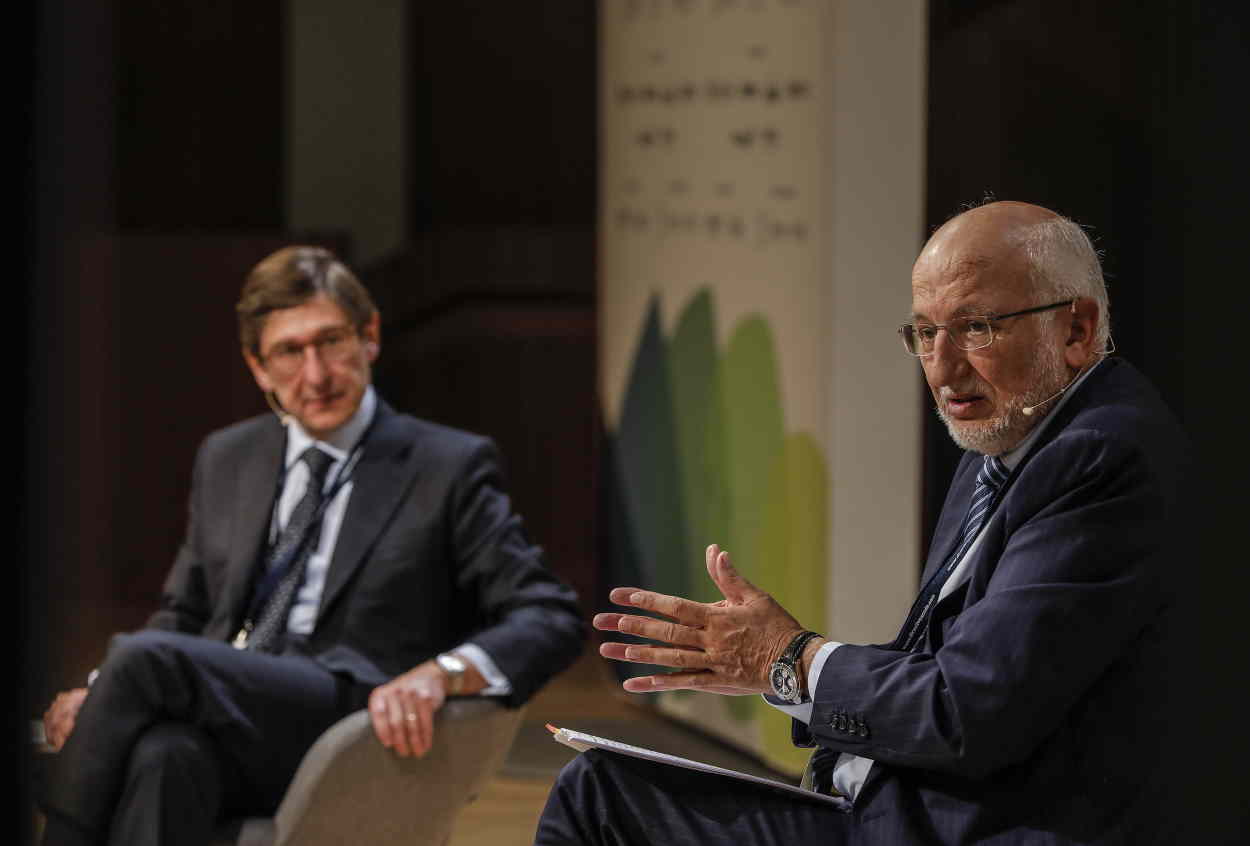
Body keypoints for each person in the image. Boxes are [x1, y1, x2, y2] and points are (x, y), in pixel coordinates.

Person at [534, 201, 1192, 844]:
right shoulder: (1008, 433)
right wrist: (779, 672)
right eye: (926, 333)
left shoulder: (1104, 454)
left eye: (978, 328)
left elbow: (967, 710)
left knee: (599, 795)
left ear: (1076, 330)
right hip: (899, 803)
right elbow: (941, 667)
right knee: (602, 783)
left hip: (960, 824)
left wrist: (790, 659)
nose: (942, 367)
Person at [37, 245, 586, 846]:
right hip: (234, 710)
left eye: (330, 342)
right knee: (166, 757)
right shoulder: (228, 457)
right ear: (257, 366)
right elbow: (186, 616)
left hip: (352, 717)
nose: (317, 375)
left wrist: (442, 674)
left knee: (143, 659)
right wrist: (105, 687)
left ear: (369, 335)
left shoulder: (445, 465)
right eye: (289, 352)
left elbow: (550, 615)